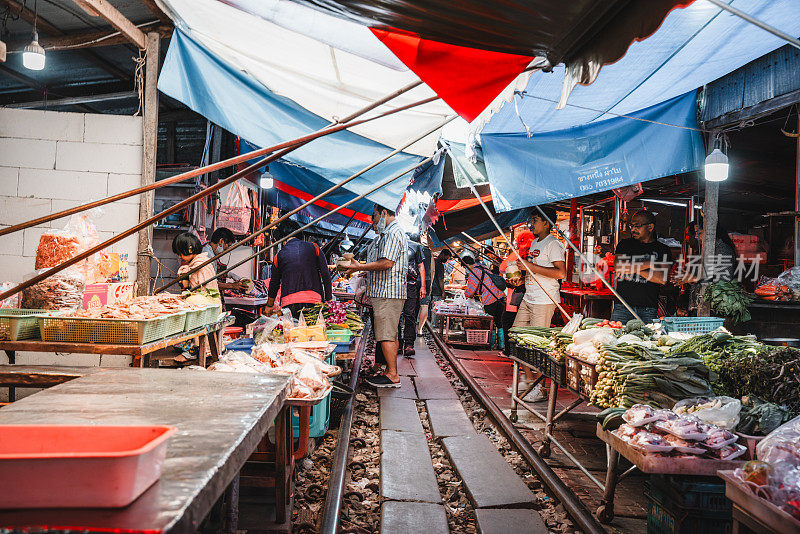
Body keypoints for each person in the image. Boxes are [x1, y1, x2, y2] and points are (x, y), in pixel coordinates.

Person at [344, 204, 407, 388]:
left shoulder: (392, 234)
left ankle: (393, 375)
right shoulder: (389, 234)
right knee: (390, 334)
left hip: (388, 292)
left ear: (384, 213)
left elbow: (387, 263)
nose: (373, 220)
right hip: (387, 291)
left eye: (374, 216)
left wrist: (360, 267)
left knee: (386, 335)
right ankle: (389, 371)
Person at [513, 209, 567, 400]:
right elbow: (535, 270)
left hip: (544, 300)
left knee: (538, 345)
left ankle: (539, 387)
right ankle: (529, 381)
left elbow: (561, 273)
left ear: (546, 223)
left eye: (535, 220)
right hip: (529, 297)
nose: (531, 223)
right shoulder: (536, 242)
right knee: (518, 337)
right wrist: (522, 278)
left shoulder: (554, 244)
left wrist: (531, 267)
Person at [612, 210, 672, 324]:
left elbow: (661, 279)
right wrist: (650, 264)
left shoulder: (663, 249)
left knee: (649, 340)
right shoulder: (625, 244)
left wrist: (630, 267)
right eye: (631, 225)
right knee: (615, 338)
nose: (633, 229)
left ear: (650, 227)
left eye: (637, 226)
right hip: (622, 307)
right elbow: (619, 267)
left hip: (648, 309)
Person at [265, 220, 333, 319]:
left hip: (289, 303)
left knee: (294, 332)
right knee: (313, 332)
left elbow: (274, 283)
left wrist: (269, 306)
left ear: (282, 238)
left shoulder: (278, 256)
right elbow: (325, 274)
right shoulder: (315, 247)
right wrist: (329, 299)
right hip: (313, 301)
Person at [675, 220, 737, 314]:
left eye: (699, 233)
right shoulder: (706, 251)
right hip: (701, 307)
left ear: (711, 232)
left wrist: (694, 278)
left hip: (714, 309)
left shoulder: (723, 251)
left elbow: (723, 281)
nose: (696, 237)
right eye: (695, 233)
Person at [499, 230, 535, 355]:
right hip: (528, 298)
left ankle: (511, 352)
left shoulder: (521, 254)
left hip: (517, 300)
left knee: (510, 323)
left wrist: (517, 251)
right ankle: (516, 353)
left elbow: (502, 268)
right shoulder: (533, 255)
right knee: (522, 327)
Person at [462, 251, 506, 331]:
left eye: (465, 267)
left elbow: (471, 291)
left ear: (467, 265)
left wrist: (465, 295)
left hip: (490, 298)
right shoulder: (483, 267)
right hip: (499, 295)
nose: (465, 270)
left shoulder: (474, 272)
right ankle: (501, 343)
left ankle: (491, 342)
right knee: (499, 322)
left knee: (488, 323)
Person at [173, 232, 221, 299]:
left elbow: (203, 295)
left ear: (190, 249)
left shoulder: (201, 266)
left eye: (180, 253)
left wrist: (186, 286)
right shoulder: (196, 264)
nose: (179, 257)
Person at [399, 235, 426, 356]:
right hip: (395, 284)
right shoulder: (393, 244)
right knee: (396, 315)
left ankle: (409, 344)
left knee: (410, 314)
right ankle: (398, 343)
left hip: (411, 284)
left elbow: (421, 266)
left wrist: (423, 286)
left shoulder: (415, 246)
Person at [202, 228, 248, 292]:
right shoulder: (207, 255)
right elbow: (209, 283)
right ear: (221, 241)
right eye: (228, 245)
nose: (227, 249)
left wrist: (230, 274)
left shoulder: (209, 250)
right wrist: (232, 286)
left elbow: (213, 272)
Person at [416, 236, 434, 335]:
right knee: (424, 305)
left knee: (411, 304)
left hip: (414, 279)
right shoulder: (428, 251)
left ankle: (408, 326)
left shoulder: (412, 248)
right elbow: (432, 269)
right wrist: (429, 282)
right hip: (426, 280)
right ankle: (420, 329)